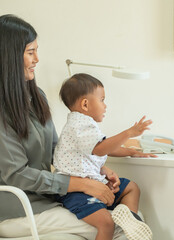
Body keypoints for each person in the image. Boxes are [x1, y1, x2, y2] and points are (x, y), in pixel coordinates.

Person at [0, 14, 144, 240]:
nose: (37, 58)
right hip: (16, 209)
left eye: (37, 50)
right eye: (30, 52)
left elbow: (60, 150)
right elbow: (16, 175)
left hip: (47, 198)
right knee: (121, 226)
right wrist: (80, 184)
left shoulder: (36, 96)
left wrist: (95, 170)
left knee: (132, 217)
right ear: (8, 56)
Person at [53, 73, 154, 240]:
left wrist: (132, 152)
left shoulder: (85, 125)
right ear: (85, 104)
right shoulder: (80, 124)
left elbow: (106, 148)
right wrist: (129, 133)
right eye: (102, 100)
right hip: (76, 191)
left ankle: (129, 220)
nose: (105, 106)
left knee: (131, 188)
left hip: (93, 184)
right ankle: (126, 221)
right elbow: (101, 148)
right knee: (106, 223)